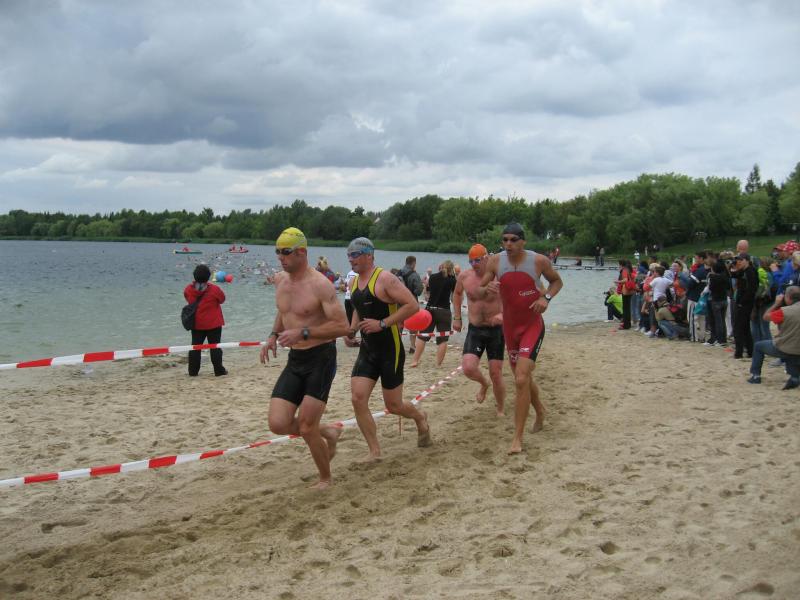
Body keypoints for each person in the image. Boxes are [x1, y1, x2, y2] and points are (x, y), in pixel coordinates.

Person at [259, 227, 351, 490]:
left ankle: (325, 478)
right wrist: (273, 335)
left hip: (320, 358)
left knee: (308, 427)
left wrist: (304, 332)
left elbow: (343, 327)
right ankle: (329, 431)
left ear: (302, 252)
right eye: (277, 252)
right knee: (278, 423)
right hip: (296, 359)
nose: (280, 257)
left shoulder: (320, 285)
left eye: (285, 252)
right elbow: (284, 311)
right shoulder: (280, 280)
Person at [476, 223, 563, 454]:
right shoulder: (495, 261)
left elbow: (557, 282)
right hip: (510, 328)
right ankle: (540, 410)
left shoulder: (538, 261)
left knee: (521, 378)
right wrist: (487, 289)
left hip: (532, 325)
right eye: (505, 240)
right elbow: (478, 291)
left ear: (523, 241)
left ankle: (517, 438)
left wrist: (546, 299)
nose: (508, 244)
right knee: (521, 378)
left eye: (513, 240)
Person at [344, 236, 431, 460]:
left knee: (394, 405)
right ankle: (374, 450)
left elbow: (412, 305)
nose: (350, 259)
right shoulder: (353, 281)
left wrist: (382, 323)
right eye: (348, 255)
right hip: (367, 350)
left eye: (354, 255)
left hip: (390, 350)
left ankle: (420, 417)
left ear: (368, 255)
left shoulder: (385, 279)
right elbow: (358, 308)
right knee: (357, 399)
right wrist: (351, 330)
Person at [453, 244, 506, 416]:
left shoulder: (499, 275)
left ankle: (500, 408)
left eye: (477, 260)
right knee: (468, 368)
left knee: (496, 373)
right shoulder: (465, 276)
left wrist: (503, 315)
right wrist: (457, 317)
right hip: (475, 329)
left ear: (486, 258)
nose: (474, 264)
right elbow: (457, 294)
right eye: (471, 261)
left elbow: (514, 299)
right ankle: (484, 383)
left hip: (496, 330)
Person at [747, 286, 800, 390]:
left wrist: (776, 303)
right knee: (793, 353)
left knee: (758, 346)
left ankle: (755, 376)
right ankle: (794, 377)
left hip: (785, 347)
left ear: (788, 297)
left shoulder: (784, 311)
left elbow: (765, 317)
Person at [184, 264, 228, 377]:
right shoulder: (214, 289)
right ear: (208, 277)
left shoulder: (189, 289)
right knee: (215, 347)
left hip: (197, 324)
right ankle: (218, 370)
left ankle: (193, 371)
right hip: (214, 324)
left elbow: (187, 298)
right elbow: (222, 299)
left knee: (195, 347)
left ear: (194, 276)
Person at [411, 260, 457, 367]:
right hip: (444, 310)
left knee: (423, 336)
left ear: (441, 267)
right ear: (452, 269)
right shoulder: (452, 280)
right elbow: (454, 297)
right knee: (443, 339)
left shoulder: (432, 277)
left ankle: (415, 360)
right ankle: (438, 364)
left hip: (430, 309)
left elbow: (427, 292)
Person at [730, 253, 758, 359]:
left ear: (747, 260)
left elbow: (752, 289)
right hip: (742, 301)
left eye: (741, 260)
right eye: (738, 260)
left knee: (738, 327)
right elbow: (734, 275)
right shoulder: (744, 271)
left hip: (745, 303)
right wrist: (733, 266)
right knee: (745, 328)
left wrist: (742, 302)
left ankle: (739, 352)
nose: (739, 262)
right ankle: (750, 351)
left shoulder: (750, 271)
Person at [398, 256, 424, 353]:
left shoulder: (397, 273)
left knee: (399, 323)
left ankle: (398, 344)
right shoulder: (414, 275)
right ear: (413, 263)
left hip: (399, 302)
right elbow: (419, 291)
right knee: (413, 324)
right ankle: (412, 346)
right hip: (411, 302)